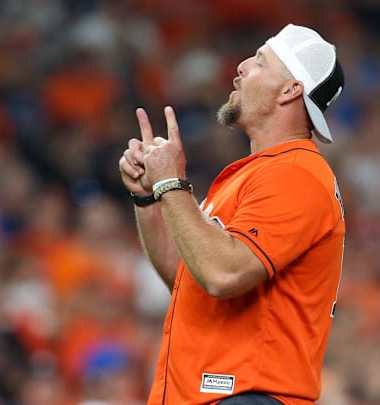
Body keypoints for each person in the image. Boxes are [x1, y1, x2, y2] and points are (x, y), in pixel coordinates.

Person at [118, 24, 346, 405]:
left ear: (290, 91)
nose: (240, 66)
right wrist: (149, 196)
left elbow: (224, 274)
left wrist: (172, 183)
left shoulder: (296, 173)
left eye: (259, 62)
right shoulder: (257, 174)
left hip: (247, 395)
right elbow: (188, 273)